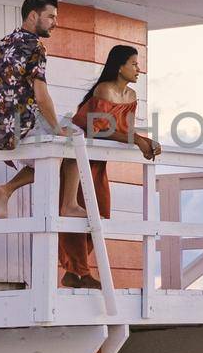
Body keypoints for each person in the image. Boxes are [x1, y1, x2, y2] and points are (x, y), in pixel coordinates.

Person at [59, 44, 161, 288]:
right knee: (78, 211)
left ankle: (75, 272)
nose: (139, 69)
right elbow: (100, 129)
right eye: (134, 64)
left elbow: (124, 130)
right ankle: (79, 273)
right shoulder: (103, 90)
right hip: (77, 159)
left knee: (101, 212)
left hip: (98, 161)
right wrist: (138, 140)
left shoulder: (131, 96)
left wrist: (146, 142)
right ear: (120, 66)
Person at [0, 0, 69, 218]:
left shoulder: (1, 44)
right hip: (23, 126)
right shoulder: (35, 46)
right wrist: (57, 130)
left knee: (56, 143)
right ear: (33, 16)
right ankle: (10, 191)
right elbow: (41, 97)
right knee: (69, 139)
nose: (55, 23)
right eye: (50, 17)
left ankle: (7, 191)